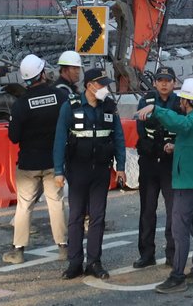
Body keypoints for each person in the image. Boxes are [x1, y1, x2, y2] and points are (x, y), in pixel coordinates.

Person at [137, 77, 193, 293]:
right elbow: (192, 144)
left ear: (186, 102)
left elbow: (178, 123)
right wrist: (176, 147)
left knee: (179, 231)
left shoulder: (191, 121)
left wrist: (156, 109)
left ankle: (177, 276)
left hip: (187, 185)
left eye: (181, 99)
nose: (179, 102)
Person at [54, 66, 125, 281]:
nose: (105, 89)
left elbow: (118, 137)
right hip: (78, 170)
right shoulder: (70, 107)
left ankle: (94, 261)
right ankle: (75, 262)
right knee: (75, 217)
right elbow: (59, 140)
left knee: (98, 217)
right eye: (102, 85)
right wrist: (59, 170)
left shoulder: (109, 107)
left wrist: (120, 167)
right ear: (90, 86)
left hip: (101, 170)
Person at [3, 54, 68, 263]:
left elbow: (13, 137)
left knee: (24, 206)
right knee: (56, 203)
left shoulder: (21, 105)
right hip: (53, 162)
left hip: (28, 164)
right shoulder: (59, 97)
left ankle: (18, 251)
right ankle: (63, 247)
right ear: (42, 74)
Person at [133, 66, 182, 269]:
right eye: (160, 79)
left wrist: (173, 148)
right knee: (147, 210)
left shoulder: (181, 103)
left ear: (174, 82)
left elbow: (185, 131)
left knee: (174, 211)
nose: (163, 83)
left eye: (168, 80)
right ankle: (146, 254)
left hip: (171, 164)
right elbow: (141, 135)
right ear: (154, 83)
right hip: (150, 162)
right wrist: (160, 149)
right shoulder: (145, 102)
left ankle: (172, 254)